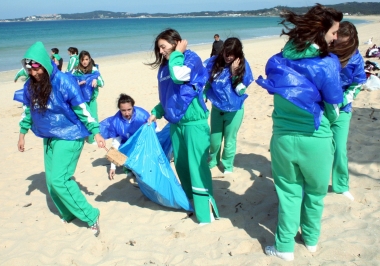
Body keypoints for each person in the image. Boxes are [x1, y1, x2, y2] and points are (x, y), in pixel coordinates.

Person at [256, 4, 343, 261]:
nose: (336, 37)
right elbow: (334, 109)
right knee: (315, 194)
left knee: (289, 193)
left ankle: (284, 247)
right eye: (334, 32)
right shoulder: (327, 64)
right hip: (316, 140)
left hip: (282, 139)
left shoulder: (278, 60)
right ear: (321, 32)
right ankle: (312, 240)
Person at [17, 41, 105, 237]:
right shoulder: (30, 86)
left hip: (70, 134)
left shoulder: (64, 81)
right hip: (48, 136)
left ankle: (91, 215)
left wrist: (95, 131)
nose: (33, 73)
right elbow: (27, 111)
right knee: (50, 182)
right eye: (30, 70)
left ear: (45, 65)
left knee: (59, 179)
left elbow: (82, 109)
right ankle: (69, 212)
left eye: (37, 69)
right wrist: (22, 134)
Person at [147, 28, 219, 225]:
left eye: (163, 47)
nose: (161, 52)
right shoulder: (165, 67)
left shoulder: (190, 58)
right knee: (182, 166)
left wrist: (177, 53)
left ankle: (206, 215)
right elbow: (170, 96)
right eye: (159, 48)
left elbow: (179, 76)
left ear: (177, 42)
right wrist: (157, 111)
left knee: (197, 168)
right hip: (176, 124)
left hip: (194, 124)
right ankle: (192, 204)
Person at [329, 21, 366, 201]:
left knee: (339, 148)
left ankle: (341, 185)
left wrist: (341, 101)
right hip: (321, 107)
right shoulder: (326, 51)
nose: (338, 47)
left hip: (343, 109)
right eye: (337, 43)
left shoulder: (356, 58)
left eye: (343, 44)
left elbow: (357, 83)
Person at [204, 37, 254, 174]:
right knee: (214, 139)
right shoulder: (216, 62)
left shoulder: (243, 66)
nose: (228, 56)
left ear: (237, 54)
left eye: (232, 54)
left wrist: (234, 74)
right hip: (217, 108)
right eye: (226, 52)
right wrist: (204, 94)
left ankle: (227, 165)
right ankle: (213, 161)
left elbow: (241, 91)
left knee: (229, 140)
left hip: (234, 111)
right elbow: (208, 80)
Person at [99, 94, 150, 179]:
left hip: (143, 142)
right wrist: (112, 167)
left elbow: (155, 131)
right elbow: (115, 144)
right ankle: (129, 169)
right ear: (119, 109)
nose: (127, 113)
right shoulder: (116, 122)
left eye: (129, 109)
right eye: (123, 110)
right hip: (127, 144)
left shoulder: (142, 115)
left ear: (133, 107)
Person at [71, 50, 104, 144]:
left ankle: (91, 138)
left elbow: (102, 82)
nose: (84, 62)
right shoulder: (76, 70)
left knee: (93, 117)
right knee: (81, 117)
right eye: (82, 60)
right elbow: (69, 83)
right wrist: (77, 83)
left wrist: (96, 81)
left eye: (86, 59)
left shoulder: (94, 70)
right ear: (79, 60)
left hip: (92, 100)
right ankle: (81, 136)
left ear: (90, 59)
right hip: (80, 100)